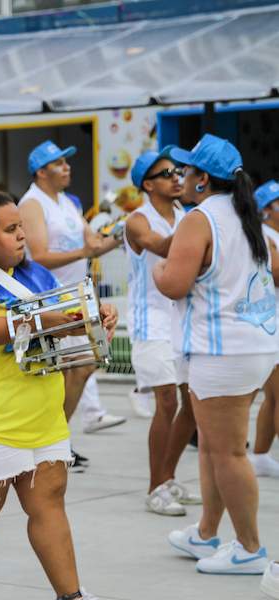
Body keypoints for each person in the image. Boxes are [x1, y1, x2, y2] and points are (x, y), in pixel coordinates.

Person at [0, 191, 114, 600]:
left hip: (43, 415)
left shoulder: (36, 275)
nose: (22, 235)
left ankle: (71, 595)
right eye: (10, 228)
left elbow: (69, 314)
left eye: (22, 227)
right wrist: (37, 320)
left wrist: (97, 317)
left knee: (49, 502)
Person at [156, 134, 274, 575]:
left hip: (221, 351)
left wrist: (159, 268)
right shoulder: (248, 218)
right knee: (212, 445)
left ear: (203, 179)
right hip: (252, 345)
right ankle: (206, 533)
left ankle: (249, 548)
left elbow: (174, 284)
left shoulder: (200, 219)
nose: (180, 178)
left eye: (186, 171)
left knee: (228, 453)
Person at [18, 140, 124, 470]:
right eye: (59, 163)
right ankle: (51, 441)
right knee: (65, 372)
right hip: (47, 297)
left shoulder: (66, 202)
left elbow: (93, 243)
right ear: (41, 172)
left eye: (67, 162)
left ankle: (55, 438)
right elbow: (39, 256)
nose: (67, 168)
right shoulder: (32, 204)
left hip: (74, 297)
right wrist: (84, 252)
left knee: (83, 366)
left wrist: (123, 233)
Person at [125, 149, 201, 515]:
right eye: (166, 173)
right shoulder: (137, 220)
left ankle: (167, 479)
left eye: (177, 172)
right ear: (148, 184)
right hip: (151, 322)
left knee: (192, 404)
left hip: (184, 320)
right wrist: (204, 226)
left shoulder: (187, 216)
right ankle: (155, 488)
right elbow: (161, 246)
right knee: (167, 402)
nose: (176, 178)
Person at [252, 179, 279, 478]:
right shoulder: (263, 234)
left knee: (273, 398)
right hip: (272, 325)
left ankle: (259, 456)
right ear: (267, 209)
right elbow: (276, 273)